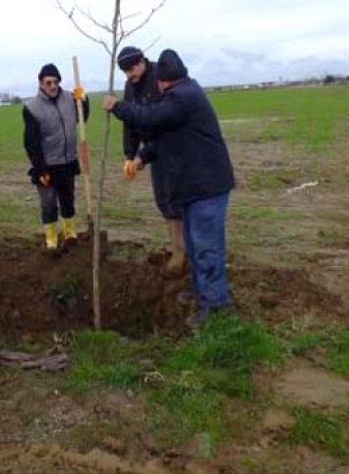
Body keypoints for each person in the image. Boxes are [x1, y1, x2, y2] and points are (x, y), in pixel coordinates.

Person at [102, 49, 235, 327]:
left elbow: (151, 119)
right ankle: (202, 293)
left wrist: (117, 107)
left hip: (206, 185)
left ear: (164, 81)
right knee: (197, 246)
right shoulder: (181, 93)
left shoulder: (183, 97)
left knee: (207, 248)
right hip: (193, 184)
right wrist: (140, 157)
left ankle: (216, 306)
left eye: (160, 83)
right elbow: (163, 139)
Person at [116, 46, 186, 276]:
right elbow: (130, 121)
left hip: (172, 149)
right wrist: (130, 154)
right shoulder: (130, 86)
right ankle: (179, 248)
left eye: (132, 68)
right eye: (125, 71)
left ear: (142, 61)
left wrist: (143, 156)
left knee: (178, 201)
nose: (129, 74)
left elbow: (163, 125)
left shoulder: (160, 78)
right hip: (153, 153)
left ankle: (182, 255)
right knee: (164, 201)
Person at [23, 62, 89, 250]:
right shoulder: (32, 107)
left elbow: (82, 118)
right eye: (48, 82)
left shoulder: (69, 99)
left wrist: (82, 100)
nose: (52, 86)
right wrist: (40, 168)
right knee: (49, 204)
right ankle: (51, 239)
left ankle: (70, 234)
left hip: (67, 162)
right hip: (47, 165)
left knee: (68, 201)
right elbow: (30, 143)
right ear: (41, 83)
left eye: (55, 82)